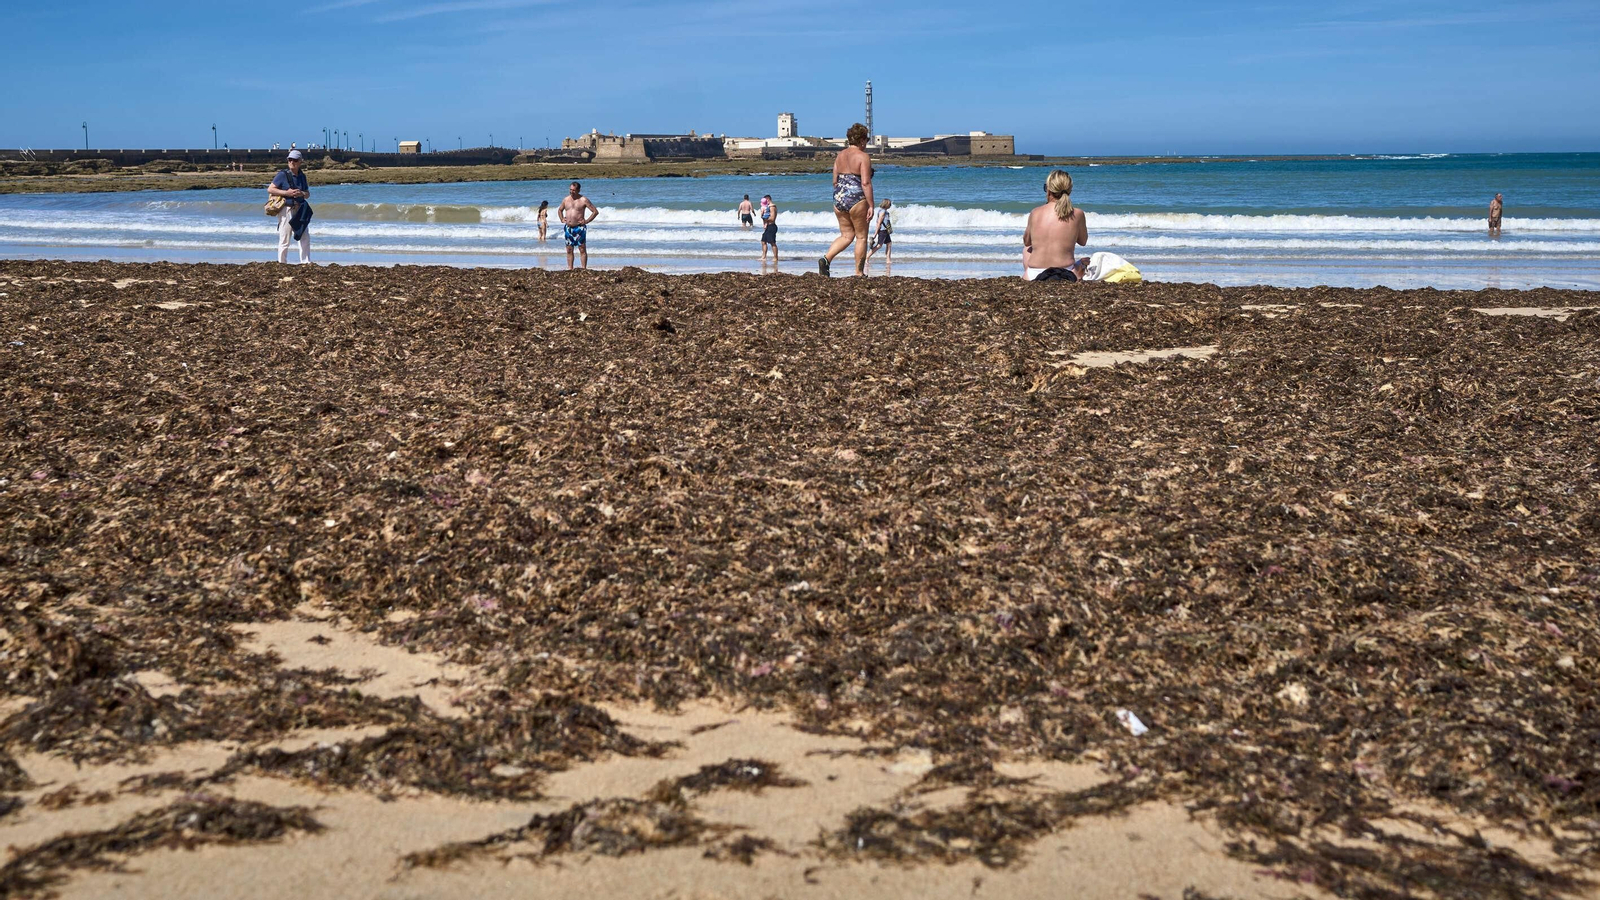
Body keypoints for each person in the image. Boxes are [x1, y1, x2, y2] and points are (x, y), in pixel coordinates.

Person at [820, 123, 874, 277]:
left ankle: (826, 259)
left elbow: (835, 180)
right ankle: (859, 272)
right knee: (861, 236)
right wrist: (871, 204)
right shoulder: (863, 156)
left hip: (839, 197)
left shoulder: (840, 155)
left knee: (846, 235)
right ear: (862, 140)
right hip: (856, 197)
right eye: (866, 140)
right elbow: (865, 183)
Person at [1021, 170, 1088, 281]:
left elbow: (1027, 242)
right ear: (1069, 191)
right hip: (1066, 273)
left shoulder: (1035, 212)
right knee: (1085, 261)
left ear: (1048, 190)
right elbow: (1083, 241)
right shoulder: (1078, 213)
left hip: (1035, 274)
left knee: (1027, 249)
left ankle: (1029, 274)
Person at [268, 149, 312, 264]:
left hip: (299, 209)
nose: (292, 162)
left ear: (300, 162)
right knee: (285, 238)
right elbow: (270, 189)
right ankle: (282, 263)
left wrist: (301, 193)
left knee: (304, 236)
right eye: (290, 159)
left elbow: (307, 194)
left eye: (295, 160)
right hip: (286, 209)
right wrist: (287, 193)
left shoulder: (302, 176)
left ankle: (306, 262)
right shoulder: (282, 175)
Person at [557, 181, 599, 270]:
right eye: (570, 190)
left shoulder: (583, 200)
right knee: (569, 249)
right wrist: (561, 219)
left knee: (582, 248)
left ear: (578, 190)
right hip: (568, 228)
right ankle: (570, 268)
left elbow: (595, 212)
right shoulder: (566, 199)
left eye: (573, 190)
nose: (571, 192)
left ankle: (583, 268)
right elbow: (560, 210)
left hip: (579, 228)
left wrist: (586, 221)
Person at [868, 198, 893, 263]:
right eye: (889, 204)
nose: (890, 205)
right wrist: (875, 234)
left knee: (889, 243)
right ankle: (866, 257)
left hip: (885, 230)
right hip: (883, 230)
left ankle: (888, 260)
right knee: (879, 245)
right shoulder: (883, 212)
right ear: (886, 204)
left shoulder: (882, 211)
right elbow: (879, 222)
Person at [760, 194, 779, 264]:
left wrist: (765, 218)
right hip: (768, 226)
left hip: (772, 226)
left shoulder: (772, 207)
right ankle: (764, 256)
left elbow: (772, 218)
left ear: (768, 199)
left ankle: (775, 257)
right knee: (763, 241)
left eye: (765, 201)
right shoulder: (767, 207)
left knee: (772, 242)